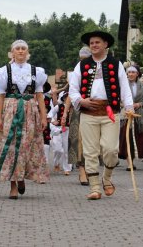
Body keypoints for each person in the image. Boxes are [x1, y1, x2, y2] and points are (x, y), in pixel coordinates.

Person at [69, 31, 134, 200]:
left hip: (109, 111)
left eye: (97, 42)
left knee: (111, 149)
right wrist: (80, 101)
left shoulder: (115, 63)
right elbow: (73, 88)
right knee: (90, 152)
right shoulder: (82, 66)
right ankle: (95, 187)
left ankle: (107, 178)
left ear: (106, 45)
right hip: (88, 112)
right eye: (91, 43)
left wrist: (129, 107)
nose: (94, 45)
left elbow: (124, 87)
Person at [0, 40, 49, 199]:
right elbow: (0, 95)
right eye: (17, 49)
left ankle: (22, 177)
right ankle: (13, 184)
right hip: (10, 110)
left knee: (27, 146)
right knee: (12, 146)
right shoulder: (4, 71)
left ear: (27, 52)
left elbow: (40, 96)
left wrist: (43, 116)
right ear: (12, 52)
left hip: (30, 110)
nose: (20, 51)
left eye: (23, 49)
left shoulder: (36, 71)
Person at [62, 46, 91, 185]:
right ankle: (82, 171)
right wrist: (65, 113)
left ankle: (91, 169)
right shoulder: (76, 72)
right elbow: (70, 95)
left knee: (92, 140)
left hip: (94, 108)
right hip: (78, 109)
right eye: (82, 58)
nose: (84, 61)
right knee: (77, 141)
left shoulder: (97, 70)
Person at [118, 65, 143, 170]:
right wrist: (126, 106)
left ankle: (136, 157)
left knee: (138, 138)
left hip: (139, 116)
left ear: (137, 74)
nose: (131, 74)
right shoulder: (122, 85)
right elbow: (117, 100)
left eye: (133, 72)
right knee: (127, 138)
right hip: (126, 115)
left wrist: (138, 104)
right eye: (129, 72)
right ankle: (129, 162)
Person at [48, 91, 72, 175]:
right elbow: (50, 115)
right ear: (63, 98)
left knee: (66, 149)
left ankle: (67, 168)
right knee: (57, 149)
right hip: (58, 129)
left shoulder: (73, 108)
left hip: (68, 130)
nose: (67, 98)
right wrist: (54, 121)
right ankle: (56, 163)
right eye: (66, 97)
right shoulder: (59, 107)